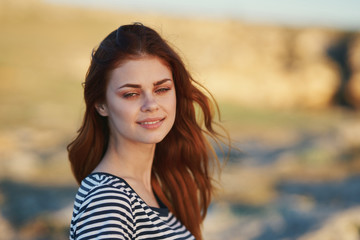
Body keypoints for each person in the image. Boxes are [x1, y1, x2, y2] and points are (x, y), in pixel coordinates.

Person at [68, 23, 228, 240]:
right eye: (131, 94)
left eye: (161, 89)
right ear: (101, 105)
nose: (151, 104)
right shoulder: (107, 200)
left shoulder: (151, 190)